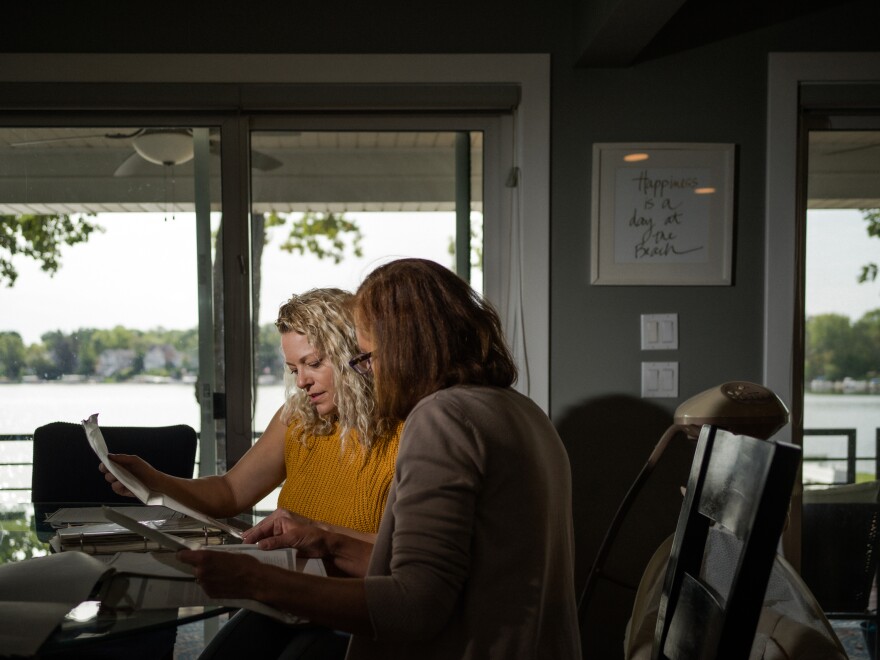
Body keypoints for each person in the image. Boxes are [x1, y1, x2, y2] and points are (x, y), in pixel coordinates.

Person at [177, 258, 582, 660]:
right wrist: (328, 539)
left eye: (368, 356)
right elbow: (457, 571)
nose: (367, 372)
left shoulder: (441, 418)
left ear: (406, 347)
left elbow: (413, 606)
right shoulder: (523, 411)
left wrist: (258, 581)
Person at [99, 287, 403, 658]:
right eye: (294, 370)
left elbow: (410, 557)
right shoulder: (297, 418)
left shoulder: (408, 431)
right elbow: (230, 491)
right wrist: (152, 480)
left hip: (351, 613)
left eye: (314, 362)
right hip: (284, 601)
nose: (303, 381)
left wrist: (323, 534)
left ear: (351, 352)